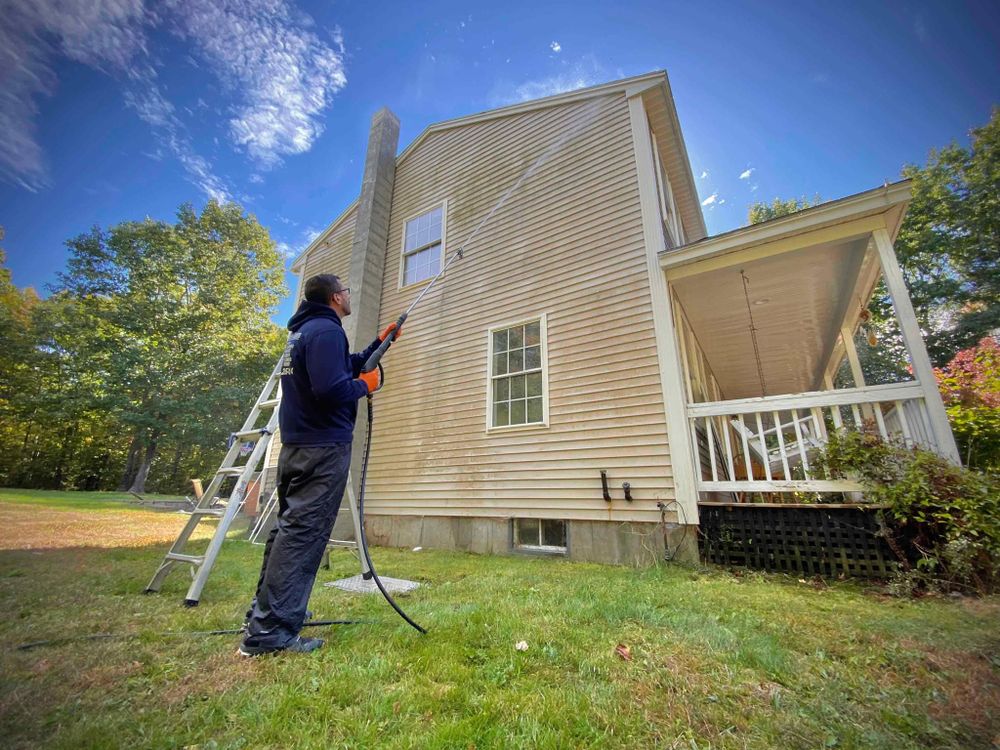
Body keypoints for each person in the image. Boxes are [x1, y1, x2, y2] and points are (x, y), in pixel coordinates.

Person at [240, 273, 399, 656]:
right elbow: (333, 390)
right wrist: (368, 386)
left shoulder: (306, 332)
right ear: (333, 297)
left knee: (287, 530)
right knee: (303, 534)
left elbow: (344, 366)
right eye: (345, 291)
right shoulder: (327, 332)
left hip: (298, 446)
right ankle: (271, 634)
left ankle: (266, 615)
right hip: (322, 447)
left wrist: (380, 344)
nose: (349, 295)